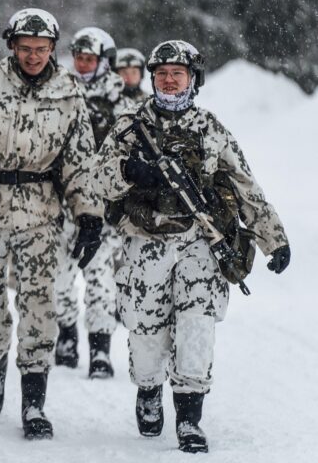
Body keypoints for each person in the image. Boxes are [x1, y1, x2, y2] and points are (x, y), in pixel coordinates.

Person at [92, 40, 291, 453]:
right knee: (145, 331)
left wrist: (274, 239)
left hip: (200, 244)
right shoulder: (130, 126)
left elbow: (245, 185)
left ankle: (189, 418)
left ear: (192, 79)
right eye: (162, 74)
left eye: (177, 74)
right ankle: (149, 389)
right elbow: (95, 180)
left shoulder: (210, 128)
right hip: (145, 243)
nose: (169, 81)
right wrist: (130, 170)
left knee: (197, 327)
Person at [0, 8, 103, 439]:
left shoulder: (68, 90)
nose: (33, 56)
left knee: (39, 304)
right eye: (26, 48)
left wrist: (89, 214)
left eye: (42, 49)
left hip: (42, 209)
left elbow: (80, 159)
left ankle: (34, 400)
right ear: (11, 45)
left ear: (53, 49)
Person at [54, 27, 134, 378]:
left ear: (105, 62)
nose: (83, 64)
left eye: (90, 58)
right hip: (62, 202)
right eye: (79, 58)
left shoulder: (122, 103)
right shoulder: (59, 93)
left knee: (101, 279)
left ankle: (100, 348)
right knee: (59, 275)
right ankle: (66, 332)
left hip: (104, 205)